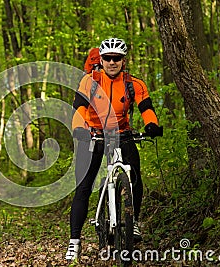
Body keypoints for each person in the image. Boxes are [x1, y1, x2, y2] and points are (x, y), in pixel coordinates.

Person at [65, 37, 163, 260]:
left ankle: (133, 222)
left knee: (135, 178)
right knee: (83, 189)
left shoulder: (134, 84)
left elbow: (146, 107)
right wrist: (79, 128)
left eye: (116, 58)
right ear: (101, 59)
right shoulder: (89, 82)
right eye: (108, 58)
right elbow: (79, 108)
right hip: (92, 135)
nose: (112, 62)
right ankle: (74, 243)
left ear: (123, 61)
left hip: (122, 134)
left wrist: (151, 125)